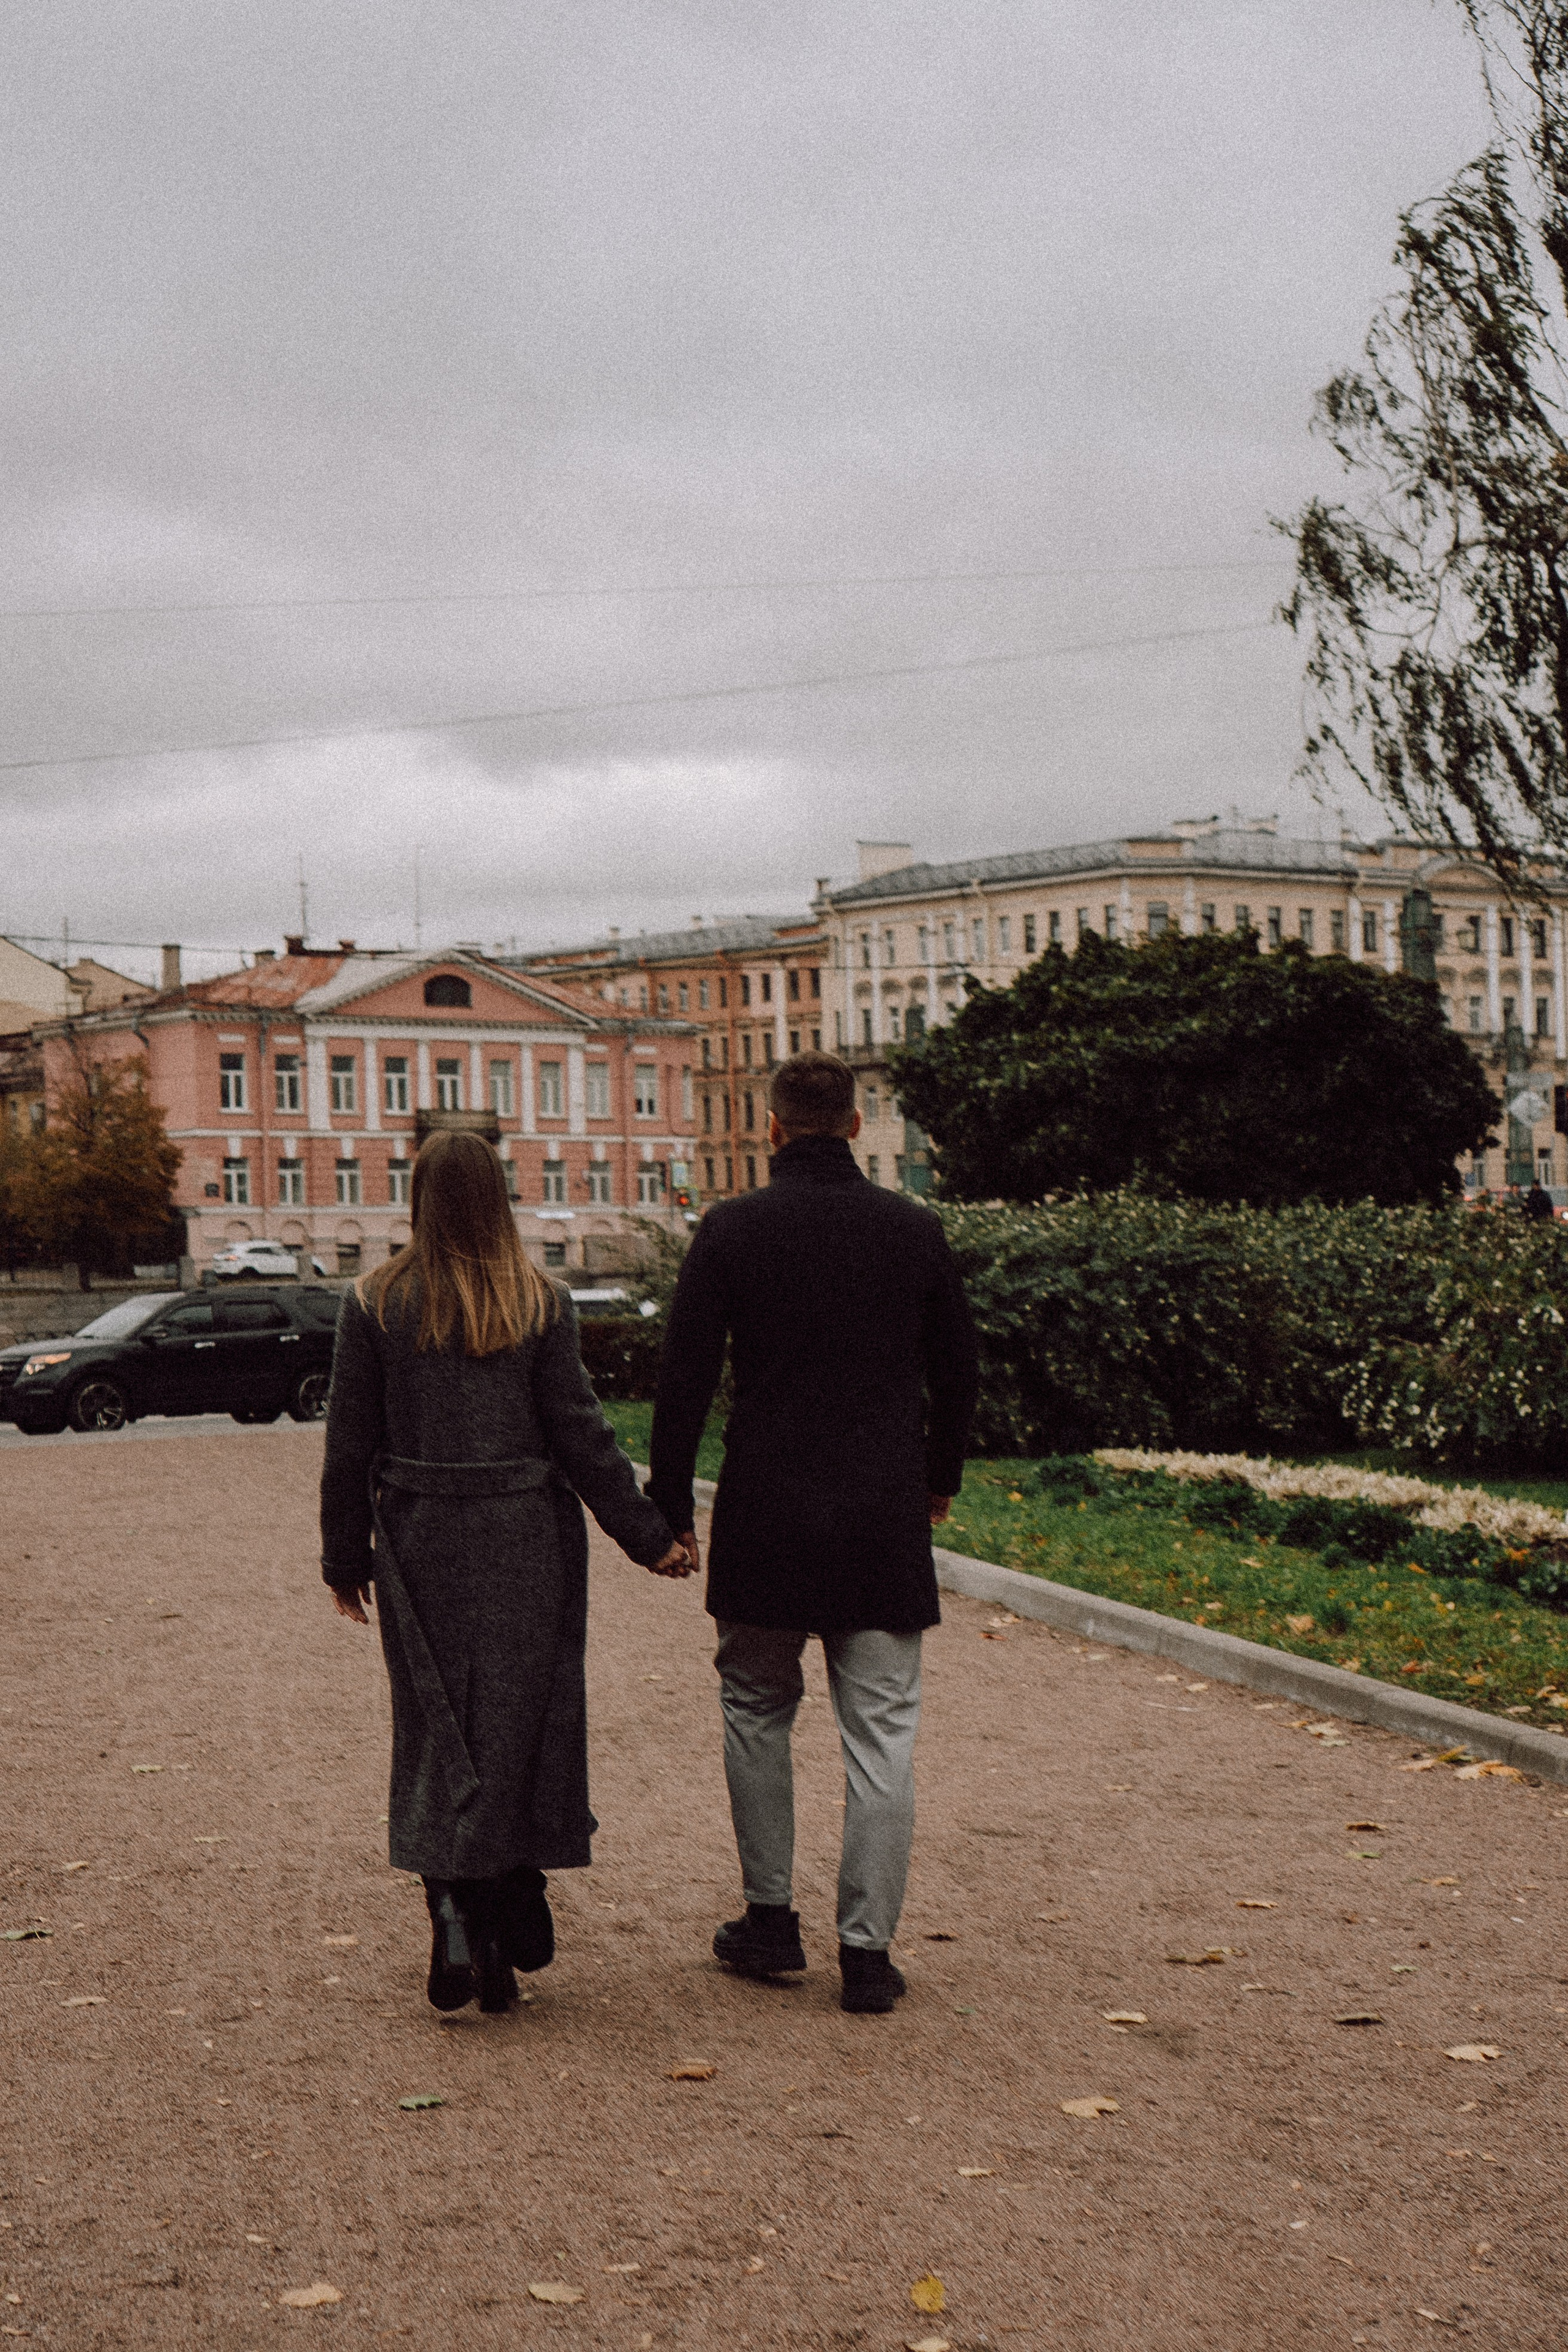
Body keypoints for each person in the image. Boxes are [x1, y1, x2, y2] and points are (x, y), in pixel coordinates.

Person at [320, 1129, 694, 2016]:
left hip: (419, 1540)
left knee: (438, 1722)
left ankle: (452, 1905)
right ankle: (515, 1896)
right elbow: (582, 1434)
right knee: (527, 1720)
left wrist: (344, 1558)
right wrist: (651, 1538)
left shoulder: (373, 1301)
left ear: (417, 1198)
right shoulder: (540, 1300)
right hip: (525, 1536)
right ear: (500, 1197)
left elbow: (348, 1447)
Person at [646, 1052, 979, 2015]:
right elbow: (958, 1371)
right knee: (881, 1733)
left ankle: (770, 1919)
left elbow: (684, 1378)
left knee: (755, 1707)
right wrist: (939, 1481)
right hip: (881, 1512)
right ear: (859, 1126)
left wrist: (671, 1508)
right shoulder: (914, 1229)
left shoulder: (732, 1229)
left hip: (766, 1511)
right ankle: (867, 1955)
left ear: (774, 1128)